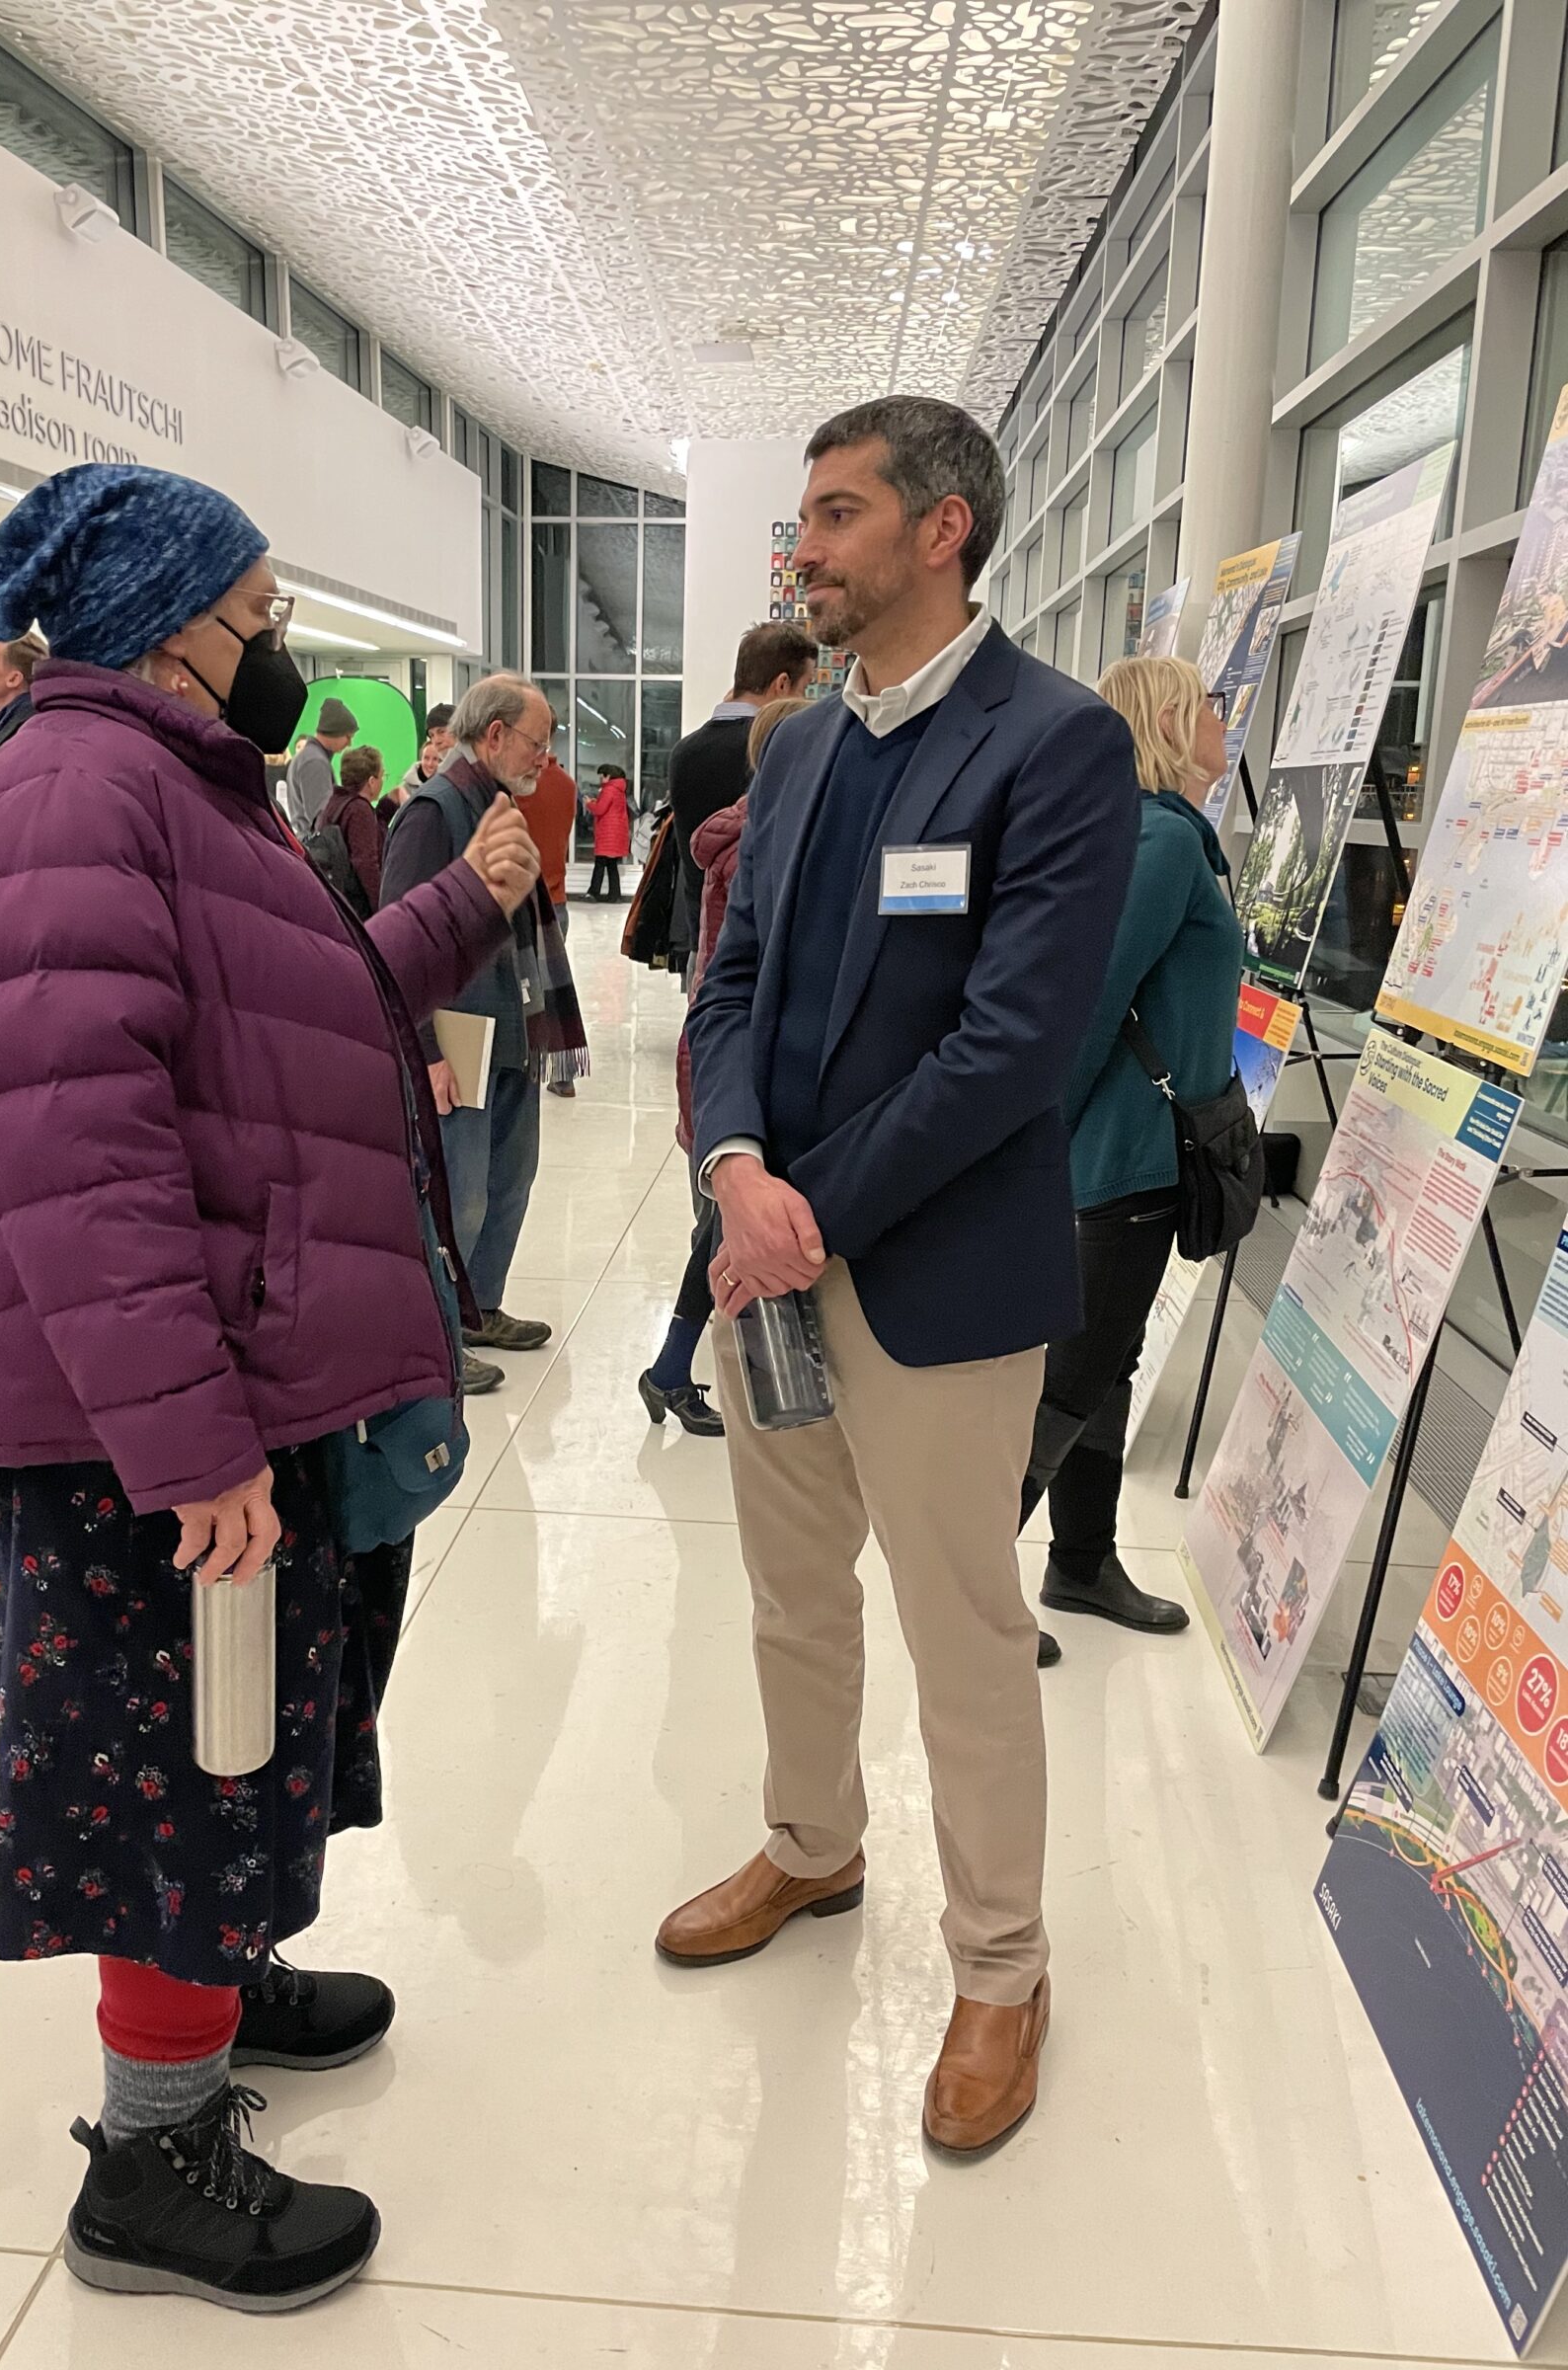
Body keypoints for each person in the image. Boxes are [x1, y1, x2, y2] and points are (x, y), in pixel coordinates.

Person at [0, 459, 541, 2316]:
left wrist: (466, 908)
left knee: (231, 1747)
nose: (283, 649)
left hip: (229, 1382)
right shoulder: (71, 806)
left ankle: (221, 1977)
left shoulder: (182, 795)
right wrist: (188, 1446)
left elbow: (294, 1014)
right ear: (165, 618)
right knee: (164, 1769)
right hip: (141, 1425)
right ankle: (155, 2159)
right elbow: (79, 1170)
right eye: (258, 614)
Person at [663, 395, 1137, 2158]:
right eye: (805, 513)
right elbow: (730, 989)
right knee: (794, 1597)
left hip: (927, 1281)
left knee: (966, 1637)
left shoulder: (1057, 744)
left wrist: (809, 1214)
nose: (806, 545)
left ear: (945, 532)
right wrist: (731, 1174)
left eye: (841, 513)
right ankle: (811, 1848)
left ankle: (1002, 1970)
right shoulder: (792, 749)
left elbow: (1013, 1049)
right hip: (764, 1264)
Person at [1023, 656, 1240, 1653]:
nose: (1220, 717)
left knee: (1108, 1363)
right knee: (1076, 1373)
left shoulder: (1171, 840)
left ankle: (1080, 1561)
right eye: (1204, 702)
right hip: (1117, 1156)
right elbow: (1087, 1011)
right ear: (1163, 720)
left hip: (1144, 1155)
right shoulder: (1158, 845)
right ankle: (976, 1585)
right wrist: (1044, 1144)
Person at [378, 675, 586, 1394]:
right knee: (456, 1194)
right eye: (538, 740)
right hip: (458, 1031)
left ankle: (480, 1306)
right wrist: (426, 1051)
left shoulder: (498, 806)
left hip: (511, 1023)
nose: (545, 756)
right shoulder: (434, 814)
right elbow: (396, 939)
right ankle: (436, 1333)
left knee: (508, 1178)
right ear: (494, 735)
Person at [642, 695, 810, 1438]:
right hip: (733, 1059)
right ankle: (678, 1367)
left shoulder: (743, 832)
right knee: (727, 1225)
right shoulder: (760, 845)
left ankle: (674, 1368)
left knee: (718, 1222)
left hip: (718, 1052)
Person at [667, 623, 816, 958]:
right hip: (760, 948)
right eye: (805, 687)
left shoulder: (684, 752)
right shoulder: (780, 750)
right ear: (782, 684)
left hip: (702, 938)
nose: (808, 700)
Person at [518, 745, 580, 1096]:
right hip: (556, 899)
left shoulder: (518, 787)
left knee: (524, 991)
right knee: (554, 986)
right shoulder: (566, 784)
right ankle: (564, 1072)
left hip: (522, 899)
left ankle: (525, 1068)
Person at [316, 742, 386, 910]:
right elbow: (366, 863)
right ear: (371, 781)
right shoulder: (360, 810)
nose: (383, 780)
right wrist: (383, 907)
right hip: (356, 905)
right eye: (382, 775)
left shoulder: (336, 801)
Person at [283, 695, 356, 835]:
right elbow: (322, 819)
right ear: (335, 731)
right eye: (348, 737)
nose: (349, 744)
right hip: (316, 847)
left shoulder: (309, 757)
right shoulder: (314, 762)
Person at [585, 762, 629, 901]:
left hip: (607, 834)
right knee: (612, 866)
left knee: (600, 864)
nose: (600, 780)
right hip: (616, 834)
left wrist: (588, 804)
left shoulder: (609, 790)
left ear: (608, 776)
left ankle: (593, 893)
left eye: (601, 776)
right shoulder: (619, 790)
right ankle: (614, 895)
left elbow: (600, 810)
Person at [397, 702, 455, 796]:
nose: (436, 741)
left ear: (459, 729)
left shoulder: (476, 768)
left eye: (441, 732)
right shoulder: (441, 778)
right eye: (431, 735)